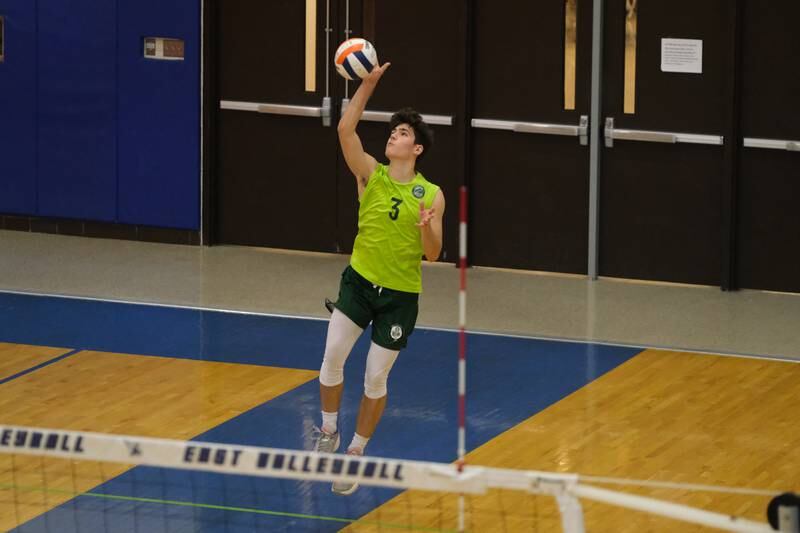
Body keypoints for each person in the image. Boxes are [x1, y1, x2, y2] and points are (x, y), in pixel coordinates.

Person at [313, 62, 445, 496]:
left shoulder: (431, 194)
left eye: (403, 133)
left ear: (418, 150)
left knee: (374, 378)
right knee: (332, 356)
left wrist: (426, 224)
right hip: (359, 283)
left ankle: (354, 454)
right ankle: (329, 431)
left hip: (400, 298)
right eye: (393, 131)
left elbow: (433, 253)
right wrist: (366, 85)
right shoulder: (371, 173)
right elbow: (346, 131)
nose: (394, 136)